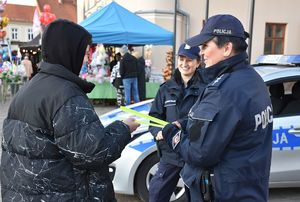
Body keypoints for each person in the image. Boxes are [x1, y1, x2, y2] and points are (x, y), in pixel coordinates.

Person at [0, 19, 140, 201]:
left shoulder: (29, 88)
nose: (85, 59)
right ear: (69, 52)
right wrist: (123, 128)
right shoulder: (67, 95)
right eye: (83, 52)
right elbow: (93, 153)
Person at [161, 14, 273, 201]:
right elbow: (229, 124)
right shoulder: (253, 79)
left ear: (227, 48)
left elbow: (200, 154)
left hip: (224, 193)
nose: (201, 53)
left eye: (205, 46)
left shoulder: (223, 90)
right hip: (249, 189)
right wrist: (188, 123)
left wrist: (172, 134)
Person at [148, 43, 208, 202]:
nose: (184, 63)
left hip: (194, 152)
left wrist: (181, 124)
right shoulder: (166, 89)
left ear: (198, 62)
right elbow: (154, 117)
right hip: (170, 153)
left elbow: (206, 118)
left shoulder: (206, 89)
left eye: (189, 60)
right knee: (156, 195)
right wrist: (157, 133)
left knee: (198, 198)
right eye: (181, 59)